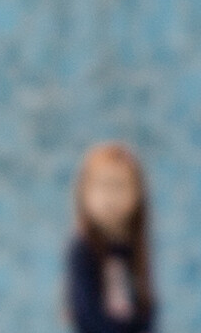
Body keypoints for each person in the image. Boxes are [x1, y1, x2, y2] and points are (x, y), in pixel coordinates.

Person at [67, 142, 157, 333]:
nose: (110, 196)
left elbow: (145, 305)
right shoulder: (82, 248)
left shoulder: (134, 248)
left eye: (119, 185)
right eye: (102, 186)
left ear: (138, 193)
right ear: (84, 192)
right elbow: (87, 312)